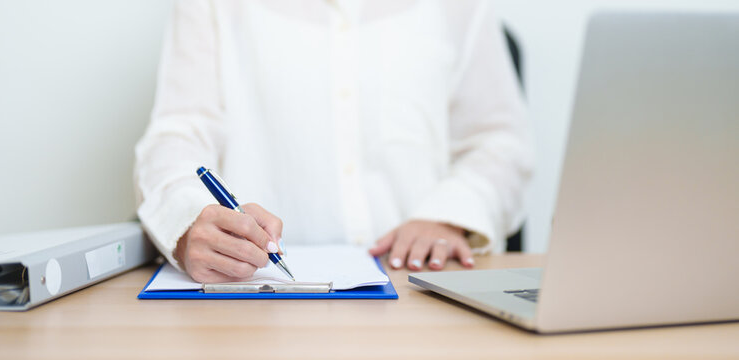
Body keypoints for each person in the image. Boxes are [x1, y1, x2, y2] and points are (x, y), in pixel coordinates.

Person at [134, 0, 533, 283]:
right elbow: (175, 138)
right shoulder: (212, 6)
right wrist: (188, 223)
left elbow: (500, 142)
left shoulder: (461, 7)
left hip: (422, 292)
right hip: (257, 301)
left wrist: (448, 216)